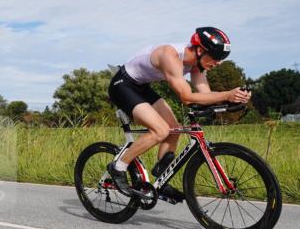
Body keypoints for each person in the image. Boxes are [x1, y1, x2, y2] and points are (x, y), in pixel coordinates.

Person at [106, 27, 251, 202]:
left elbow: (205, 95)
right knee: (160, 130)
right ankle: (118, 166)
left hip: (142, 87)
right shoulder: (170, 55)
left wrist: (234, 99)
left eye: (222, 59)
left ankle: (162, 180)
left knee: (173, 129)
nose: (218, 63)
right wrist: (227, 94)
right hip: (123, 85)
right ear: (199, 50)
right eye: (216, 57)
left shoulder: (198, 66)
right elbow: (187, 97)